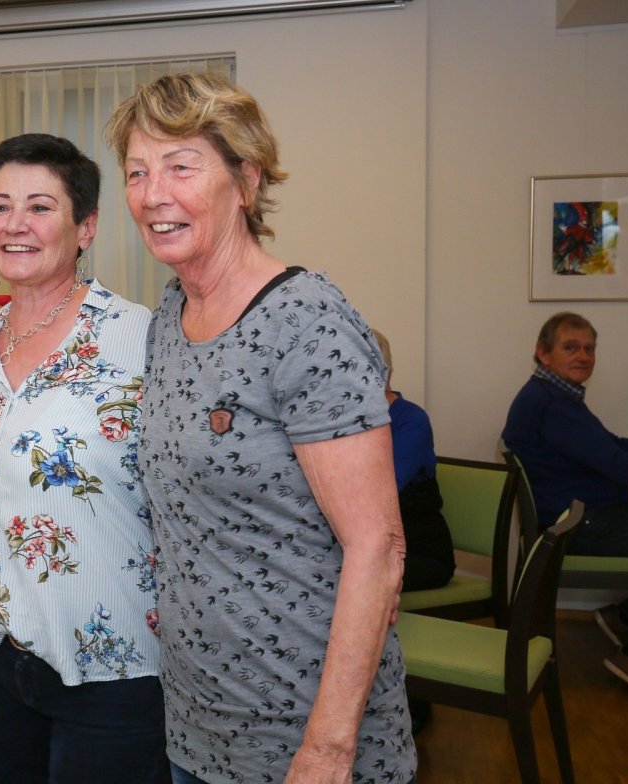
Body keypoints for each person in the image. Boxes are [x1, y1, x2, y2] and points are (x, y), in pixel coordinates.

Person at [105, 73, 414, 784]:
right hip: (197, 726)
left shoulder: (306, 320)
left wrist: (327, 749)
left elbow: (378, 548)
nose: (153, 194)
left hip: (304, 735)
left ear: (246, 180)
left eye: (181, 166)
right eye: (137, 172)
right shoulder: (169, 318)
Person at [0, 133, 168, 783]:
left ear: (85, 228)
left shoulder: (139, 338)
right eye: (0, 206)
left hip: (110, 668)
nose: (15, 224)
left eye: (40, 206)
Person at [502, 311, 628, 709]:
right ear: (543, 353)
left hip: (577, 517)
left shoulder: (551, 395)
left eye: (589, 348)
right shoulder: (553, 405)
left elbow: (612, 445)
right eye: (571, 347)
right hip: (581, 524)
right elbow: (618, 464)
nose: (583, 356)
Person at [373, 330, 455, 592]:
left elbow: (383, 491)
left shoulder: (411, 420)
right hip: (371, 550)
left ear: (385, 374)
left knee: (337, 575)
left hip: (419, 553)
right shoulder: (344, 421)